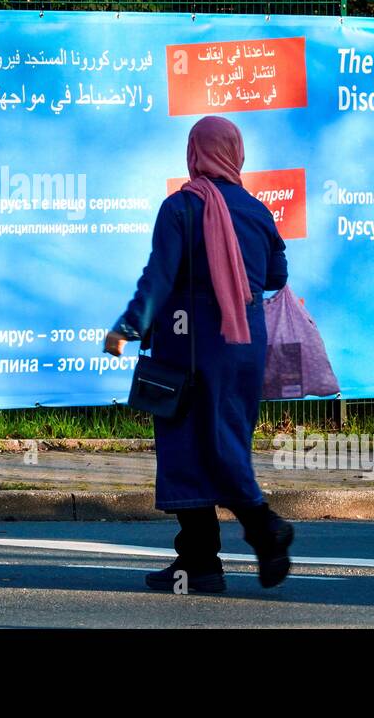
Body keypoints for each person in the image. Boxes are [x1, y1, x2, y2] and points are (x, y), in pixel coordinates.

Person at [104, 115, 293, 592]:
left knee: (192, 449)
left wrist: (129, 325)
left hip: (190, 348)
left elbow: (159, 275)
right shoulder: (256, 210)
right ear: (235, 153)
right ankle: (200, 564)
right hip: (244, 346)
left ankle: (263, 529)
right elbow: (276, 277)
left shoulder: (181, 208)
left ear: (194, 153)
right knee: (222, 442)